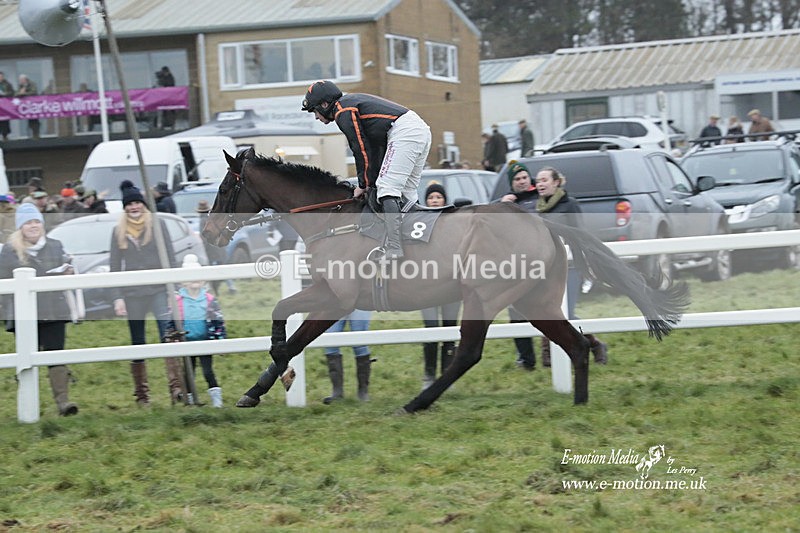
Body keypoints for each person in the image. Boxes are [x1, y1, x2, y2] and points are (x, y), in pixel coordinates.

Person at [301, 80, 432, 260]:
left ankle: (394, 248)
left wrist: (363, 184)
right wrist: (370, 182)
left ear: (325, 104)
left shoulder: (343, 111)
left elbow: (360, 148)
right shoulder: (349, 104)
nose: (316, 116)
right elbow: (373, 149)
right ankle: (417, 243)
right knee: (406, 192)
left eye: (315, 110)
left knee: (387, 189)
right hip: (418, 129)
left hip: (405, 132)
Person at [501, 162, 608, 366]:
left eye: (544, 180)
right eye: (538, 180)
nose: (538, 183)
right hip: (545, 268)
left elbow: (581, 234)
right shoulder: (539, 205)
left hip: (570, 265)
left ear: (556, 182)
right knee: (552, 311)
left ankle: (569, 349)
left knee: (562, 312)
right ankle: (588, 344)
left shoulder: (568, 204)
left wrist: (586, 263)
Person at [110, 180, 183, 406]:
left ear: (143, 204)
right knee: (137, 340)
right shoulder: (118, 231)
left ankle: (176, 388)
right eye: (129, 204)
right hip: (133, 293)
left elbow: (170, 257)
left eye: (137, 203)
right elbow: (114, 266)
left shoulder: (158, 225)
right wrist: (117, 297)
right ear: (125, 208)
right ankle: (142, 395)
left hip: (159, 288)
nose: (134, 207)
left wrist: (173, 288)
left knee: (167, 335)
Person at [0, 203, 78, 416]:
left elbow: (67, 269)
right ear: (20, 227)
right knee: (26, 358)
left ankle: (63, 402)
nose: (33, 226)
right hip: (23, 314)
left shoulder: (55, 245)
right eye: (28, 222)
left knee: (56, 354)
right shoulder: (9, 251)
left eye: (36, 221)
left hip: (53, 310)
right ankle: (26, 404)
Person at [419, 182, 460, 389]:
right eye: (431, 198)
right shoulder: (417, 224)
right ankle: (428, 375)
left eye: (438, 197)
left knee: (450, 329)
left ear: (444, 200)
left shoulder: (453, 223)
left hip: (452, 285)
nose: (434, 200)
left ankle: (447, 376)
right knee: (431, 329)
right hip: (426, 286)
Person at [173, 254, 226, 407]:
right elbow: (171, 323)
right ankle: (189, 401)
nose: (194, 280)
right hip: (186, 343)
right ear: (183, 281)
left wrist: (221, 342)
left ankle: (217, 400)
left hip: (205, 342)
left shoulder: (209, 300)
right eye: (190, 277)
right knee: (189, 373)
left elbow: (218, 322)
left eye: (197, 277)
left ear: (203, 279)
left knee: (208, 371)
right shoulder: (177, 301)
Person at [321, 309, 373, 403]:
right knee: (330, 342)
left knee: (360, 343)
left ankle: (363, 391)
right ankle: (337, 392)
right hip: (334, 300)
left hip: (360, 299)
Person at [196, 200, 236, 295]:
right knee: (222, 268)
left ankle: (211, 290)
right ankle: (231, 286)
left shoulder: (203, 222)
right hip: (219, 248)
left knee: (212, 270)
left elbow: (204, 237)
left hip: (211, 250)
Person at [16, 75, 40, 139]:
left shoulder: (32, 84)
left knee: (34, 120)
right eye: (20, 80)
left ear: (25, 79)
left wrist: (24, 93)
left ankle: (36, 134)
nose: (20, 81)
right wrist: (19, 93)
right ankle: (30, 135)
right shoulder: (20, 86)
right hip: (25, 106)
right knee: (29, 120)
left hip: (33, 105)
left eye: (21, 80)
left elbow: (34, 92)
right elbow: (16, 93)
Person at [0, 72, 14, 141]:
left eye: (1, 76)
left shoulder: (7, 84)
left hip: (5, 105)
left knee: (5, 120)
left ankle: (5, 136)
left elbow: (12, 92)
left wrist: (5, 94)